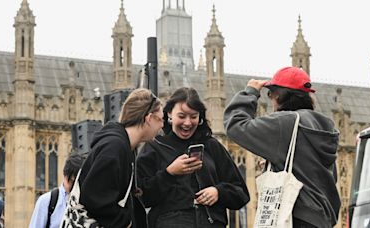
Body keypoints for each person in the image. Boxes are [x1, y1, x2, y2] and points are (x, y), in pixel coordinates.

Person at [224, 66, 341, 228]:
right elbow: (325, 176)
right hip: (322, 218)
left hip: (295, 216)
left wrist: (250, 92)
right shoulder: (327, 127)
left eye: (270, 94)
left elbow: (235, 125)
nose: (270, 99)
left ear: (278, 94)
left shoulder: (285, 122)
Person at [137, 87, 250, 228]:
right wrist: (169, 173)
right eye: (182, 116)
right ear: (170, 114)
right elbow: (141, 197)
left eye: (193, 116)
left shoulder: (211, 146)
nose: (188, 123)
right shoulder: (155, 147)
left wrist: (218, 192)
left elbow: (241, 194)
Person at [78, 88, 163, 227]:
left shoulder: (126, 147)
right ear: (148, 118)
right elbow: (94, 198)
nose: (162, 125)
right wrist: (126, 222)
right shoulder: (114, 147)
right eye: (160, 119)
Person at [29, 152, 85, 228]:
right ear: (65, 175)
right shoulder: (46, 201)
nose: (76, 186)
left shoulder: (86, 201)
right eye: (73, 181)